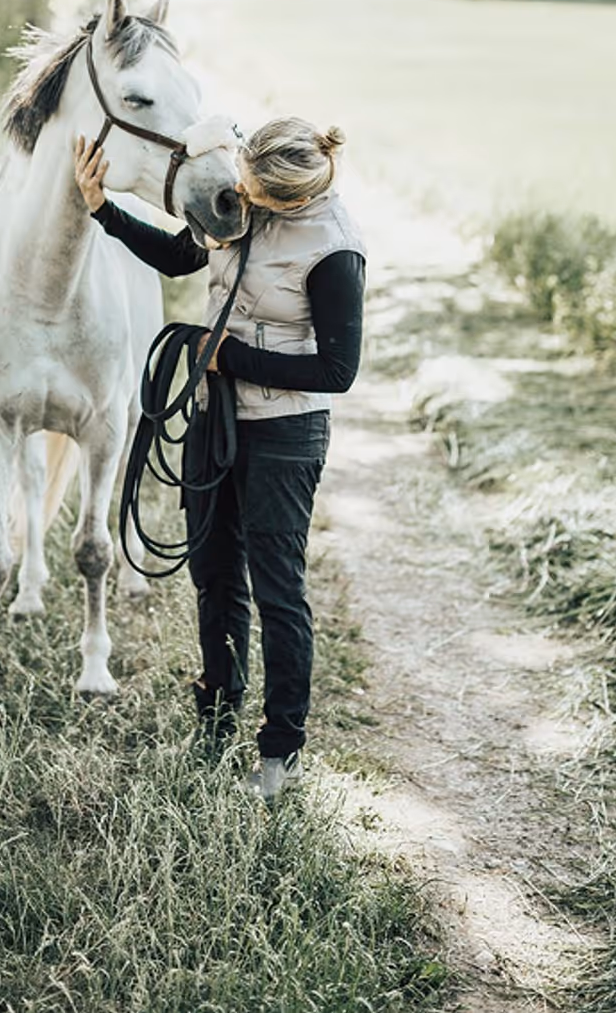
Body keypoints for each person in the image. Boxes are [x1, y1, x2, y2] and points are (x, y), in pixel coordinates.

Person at [74, 117, 366, 799]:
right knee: (213, 573)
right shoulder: (244, 201)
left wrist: (227, 357)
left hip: (285, 436)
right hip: (216, 418)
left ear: (292, 198)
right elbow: (181, 257)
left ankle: (281, 751)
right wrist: (102, 209)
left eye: (255, 192)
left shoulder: (334, 249)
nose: (241, 196)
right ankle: (215, 715)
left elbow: (338, 370)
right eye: (243, 179)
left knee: (277, 590)